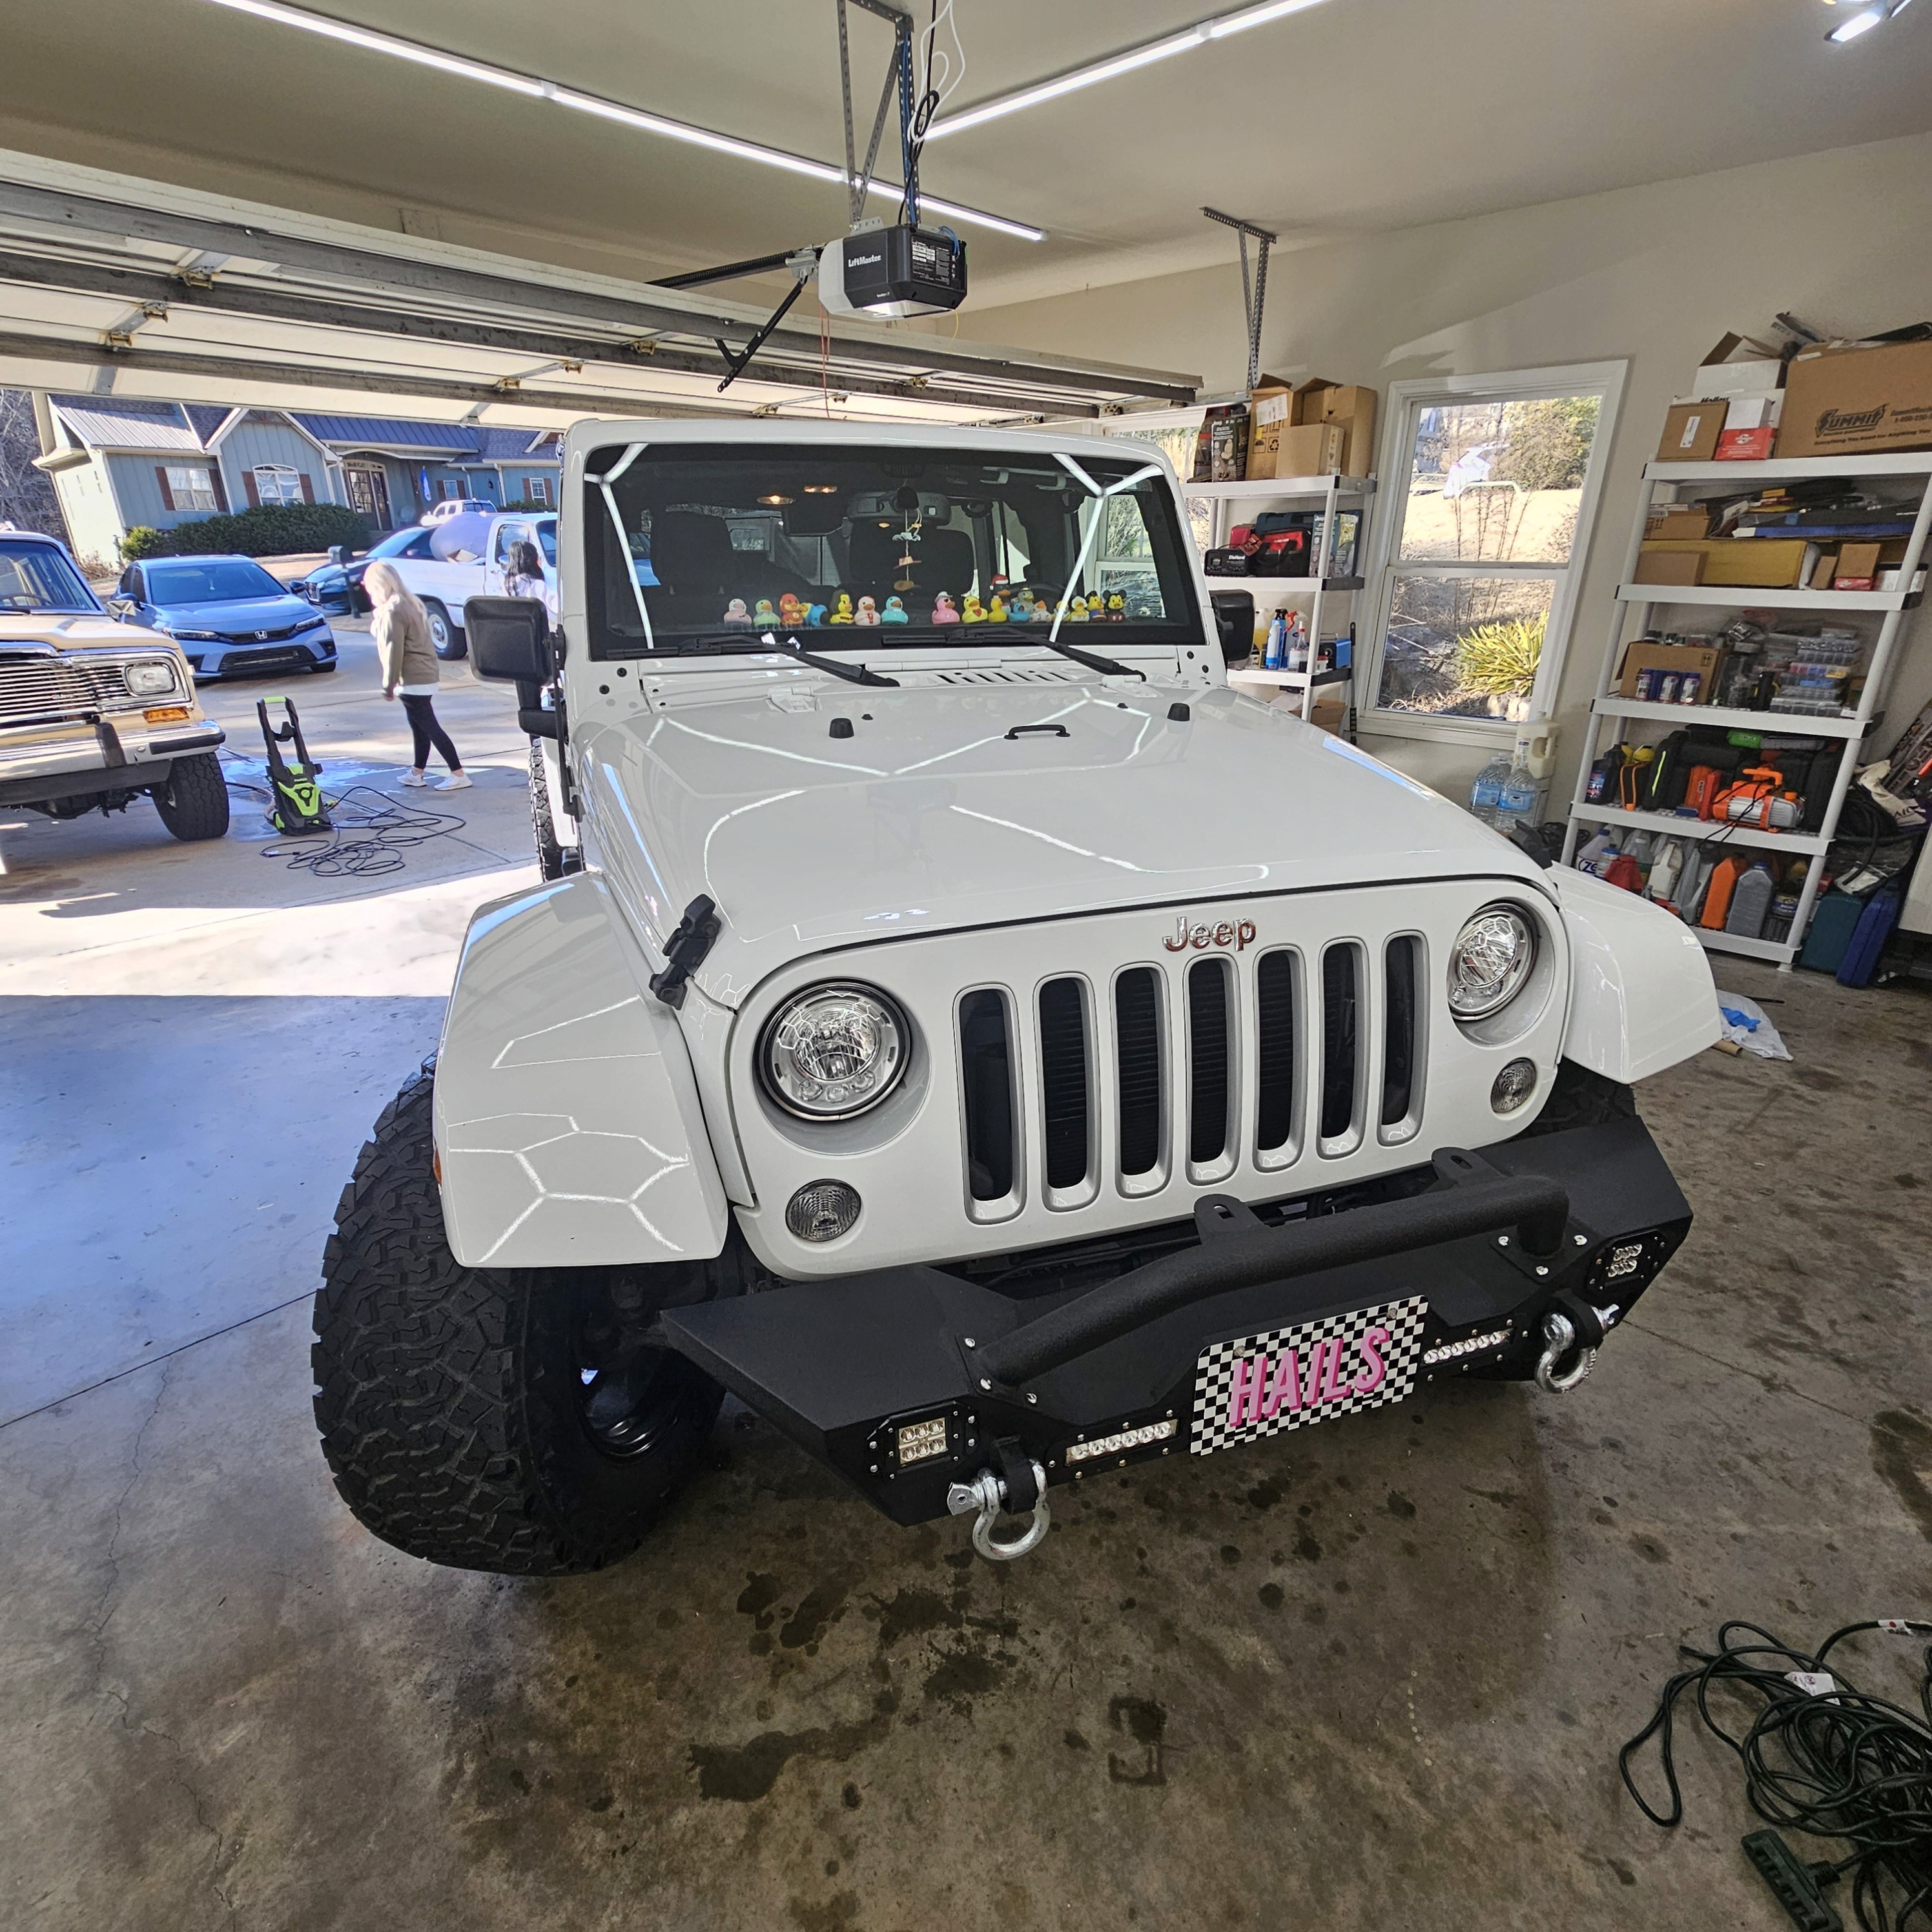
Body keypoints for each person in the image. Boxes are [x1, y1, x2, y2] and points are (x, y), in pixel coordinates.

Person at [367, 559, 469, 790]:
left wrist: (389, 684)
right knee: (420, 726)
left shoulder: (392, 611)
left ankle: (458, 774)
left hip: (411, 676)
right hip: (425, 672)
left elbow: (393, 650)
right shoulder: (411, 603)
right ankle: (417, 773)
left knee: (429, 727)